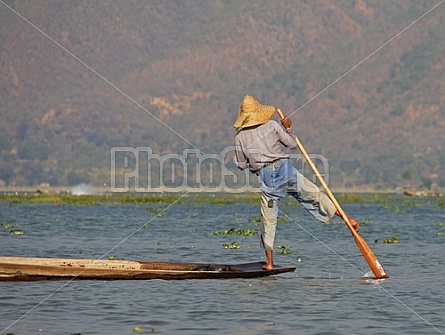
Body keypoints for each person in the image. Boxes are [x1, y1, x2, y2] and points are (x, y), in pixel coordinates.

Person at [234, 95, 360, 270]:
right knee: (314, 195)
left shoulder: (240, 137)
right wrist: (289, 128)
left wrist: (253, 164)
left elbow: (241, 164)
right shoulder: (272, 125)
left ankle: (269, 263)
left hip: (267, 176)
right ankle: (349, 220)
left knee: (268, 219)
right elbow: (292, 144)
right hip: (285, 169)